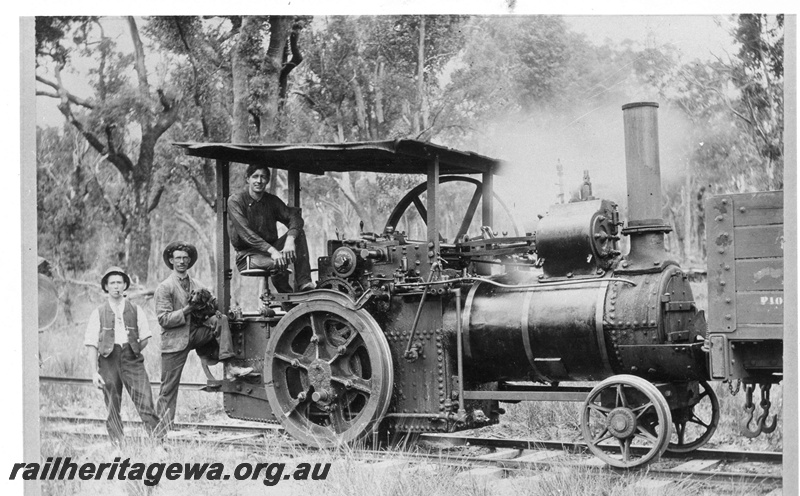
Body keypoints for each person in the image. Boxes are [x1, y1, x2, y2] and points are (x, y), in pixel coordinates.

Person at [154, 241, 253, 427]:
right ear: (171, 260)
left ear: (190, 260)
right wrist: (188, 309)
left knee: (220, 319)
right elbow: (164, 320)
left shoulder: (198, 284)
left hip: (198, 334)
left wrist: (221, 307)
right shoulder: (165, 287)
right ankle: (160, 432)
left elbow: (214, 304)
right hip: (175, 340)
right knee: (168, 388)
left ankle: (230, 366)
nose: (182, 261)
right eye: (178, 258)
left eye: (185, 258)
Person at [84, 266, 163, 444]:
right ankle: (117, 445)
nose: (116, 286)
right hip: (108, 360)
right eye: (112, 283)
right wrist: (94, 372)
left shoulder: (136, 310)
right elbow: (91, 343)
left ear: (125, 285)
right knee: (112, 404)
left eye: (119, 282)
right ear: (106, 286)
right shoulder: (98, 312)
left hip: (132, 359)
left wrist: (131, 350)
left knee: (145, 401)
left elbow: (144, 339)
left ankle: (158, 444)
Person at [227, 165, 315, 293]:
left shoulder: (272, 201)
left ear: (267, 180)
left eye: (263, 177)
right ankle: (289, 303)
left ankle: (304, 283)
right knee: (278, 263)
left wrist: (290, 239)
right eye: (255, 176)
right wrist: (273, 251)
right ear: (247, 179)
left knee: (298, 233)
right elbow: (247, 234)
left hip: (272, 249)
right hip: (248, 255)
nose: (259, 181)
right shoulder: (236, 200)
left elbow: (295, 218)